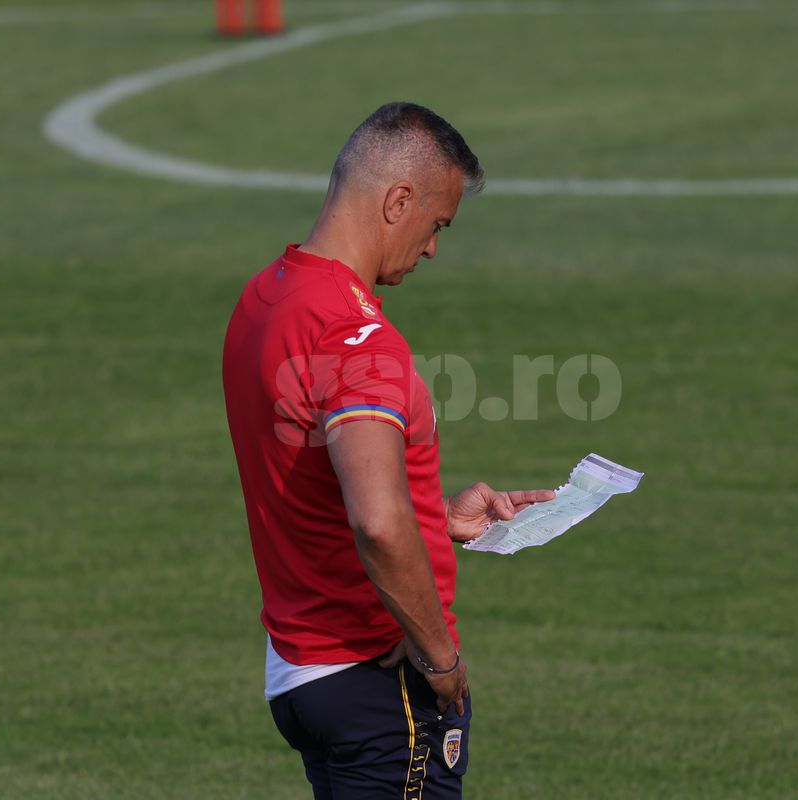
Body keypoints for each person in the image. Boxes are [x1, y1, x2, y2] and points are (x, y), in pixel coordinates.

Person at [222, 102, 554, 799]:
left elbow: (309, 475)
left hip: (301, 670)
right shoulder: (356, 338)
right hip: (376, 682)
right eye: (437, 225)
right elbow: (376, 521)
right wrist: (440, 659)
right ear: (398, 201)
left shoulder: (265, 298)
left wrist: (432, 516)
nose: (432, 249)